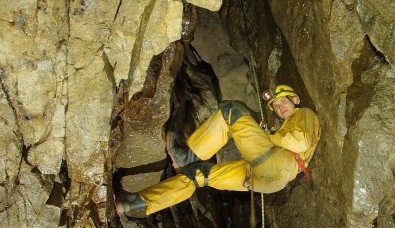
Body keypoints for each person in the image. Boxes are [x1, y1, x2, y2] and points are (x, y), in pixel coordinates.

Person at [116, 84, 321, 217]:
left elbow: (302, 142)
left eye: (283, 101)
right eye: (275, 106)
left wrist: (267, 135)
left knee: (231, 110)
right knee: (198, 175)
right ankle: (134, 204)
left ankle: (188, 156)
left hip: (279, 164)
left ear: (295, 99)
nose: (280, 107)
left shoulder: (304, 113)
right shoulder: (286, 126)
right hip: (270, 180)